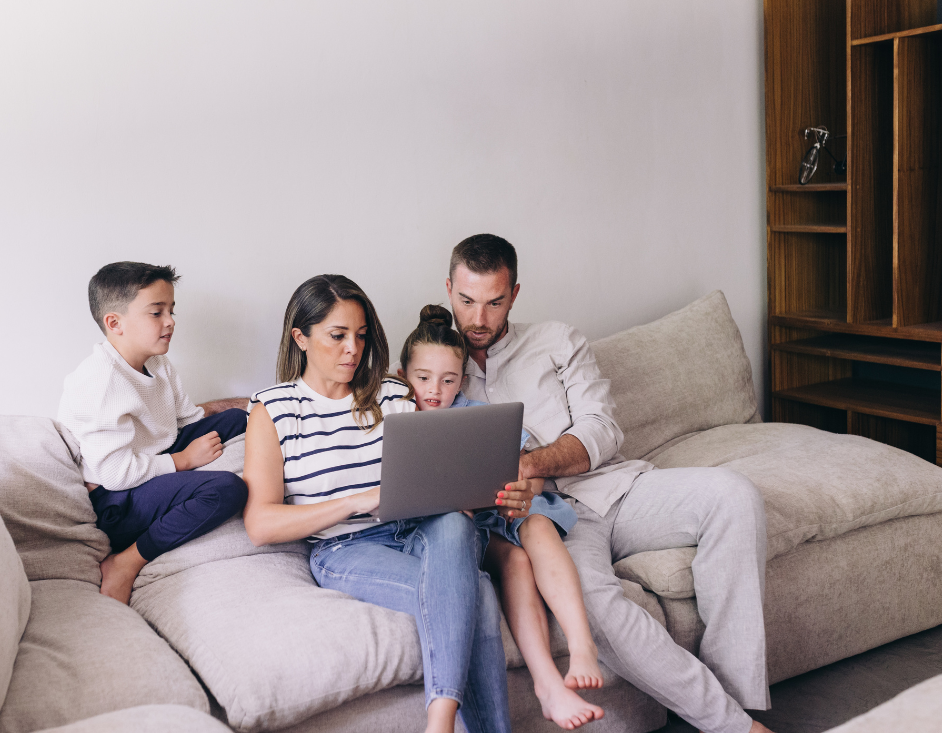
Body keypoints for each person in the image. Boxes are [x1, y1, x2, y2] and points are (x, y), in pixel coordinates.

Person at [444, 234, 776, 733]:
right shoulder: (435, 369)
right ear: (449, 289)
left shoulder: (558, 341)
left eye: (494, 302)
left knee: (735, 496)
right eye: (467, 301)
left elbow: (602, 428)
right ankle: (733, 725)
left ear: (514, 293)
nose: (479, 319)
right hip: (550, 522)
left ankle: (736, 701)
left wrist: (529, 464)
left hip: (617, 488)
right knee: (590, 600)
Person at [240, 274, 511, 733]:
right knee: (479, 591)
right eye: (338, 336)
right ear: (300, 337)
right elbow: (261, 523)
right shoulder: (274, 410)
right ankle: (445, 719)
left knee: (453, 523)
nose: (354, 349)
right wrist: (358, 501)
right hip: (346, 548)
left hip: (419, 528)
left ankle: (439, 720)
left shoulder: (391, 394)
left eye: (361, 336)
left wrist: (461, 492)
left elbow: (441, 467)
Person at [398, 304, 604, 731]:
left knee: (536, 528)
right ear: (403, 374)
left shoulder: (476, 414)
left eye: (449, 379)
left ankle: (576, 653)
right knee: (511, 558)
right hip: (448, 531)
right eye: (423, 378)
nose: (436, 389)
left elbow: (524, 464)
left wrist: (520, 488)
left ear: (463, 378)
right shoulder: (393, 416)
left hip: (493, 514)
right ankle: (548, 683)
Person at [59, 262, 249, 605]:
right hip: (117, 497)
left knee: (237, 419)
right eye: (156, 312)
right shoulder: (102, 382)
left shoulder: (158, 363)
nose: (171, 321)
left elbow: (185, 419)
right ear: (115, 323)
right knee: (226, 489)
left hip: (153, 458)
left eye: (171, 310)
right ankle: (127, 561)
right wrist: (183, 460)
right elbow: (115, 473)